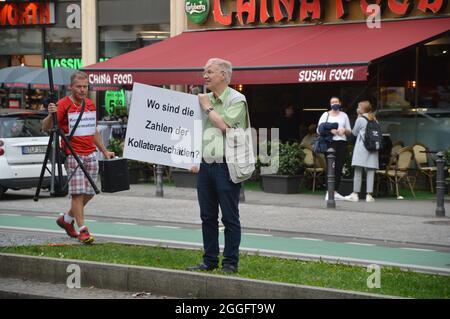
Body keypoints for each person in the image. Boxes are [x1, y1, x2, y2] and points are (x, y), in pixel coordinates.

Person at [187, 58, 248, 274]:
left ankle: (230, 262)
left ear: (223, 75)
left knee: (230, 217)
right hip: (206, 164)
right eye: (204, 71)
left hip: (226, 165)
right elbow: (196, 130)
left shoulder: (237, 100)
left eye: (210, 72)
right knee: (207, 215)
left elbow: (223, 126)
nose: (205, 75)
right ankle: (209, 260)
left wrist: (206, 106)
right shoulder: (206, 99)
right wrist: (192, 158)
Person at [42, 71, 115, 244]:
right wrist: (50, 114)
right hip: (72, 154)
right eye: (79, 87)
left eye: (85, 87)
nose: (82, 90)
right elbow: (46, 127)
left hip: (90, 153)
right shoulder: (63, 104)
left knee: (89, 194)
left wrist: (104, 151)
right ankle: (83, 230)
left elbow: (93, 131)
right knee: (77, 194)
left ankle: (66, 220)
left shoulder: (90, 104)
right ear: (71, 87)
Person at [317, 96, 352, 200]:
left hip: (341, 142)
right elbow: (319, 130)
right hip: (330, 143)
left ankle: (335, 191)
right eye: (332, 102)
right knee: (330, 167)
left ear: (340, 103)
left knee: (339, 167)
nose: (334, 103)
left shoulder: (344, 115)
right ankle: (329, 191)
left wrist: (344, 131)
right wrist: (330, 131)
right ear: (330, 104)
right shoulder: (325, 114)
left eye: (336, 101)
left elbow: (350, 131)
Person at [345, 101, 379, 203]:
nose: (357, 108)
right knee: (370, 172)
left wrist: (358, 117)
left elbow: (354, 133)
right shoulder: (374, 119)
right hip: (373, 148)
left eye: (358, 107)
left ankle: (355, 194)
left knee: (358, 171)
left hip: (362, 148)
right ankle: (369, 195)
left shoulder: (360, 119)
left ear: (362, 109)